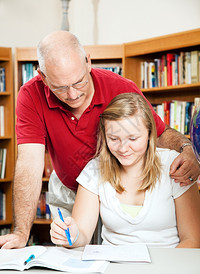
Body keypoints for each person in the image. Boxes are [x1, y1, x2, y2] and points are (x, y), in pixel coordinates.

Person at [0, 31, 199, 249]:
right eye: (60, 87)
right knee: (72, 247)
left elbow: (159, 132)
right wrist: (21, 233)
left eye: (79, 82)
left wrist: (186, 148)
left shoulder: (120, 88)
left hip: (116, 181)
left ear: (88, 62)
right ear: (43, 77)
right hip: (74, 184)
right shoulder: (30, 95)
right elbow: (29, 162)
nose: (73, 94)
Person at [50, 93, 200, 248]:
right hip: (113, 267)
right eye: (114, 139)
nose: (123, 148)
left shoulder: (175, 164)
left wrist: (162, 271)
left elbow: (192, 240)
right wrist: (71, 235)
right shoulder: (94, 170)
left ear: (150, 134)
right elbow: (82, 235)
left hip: (167, 266)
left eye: (133, 139)